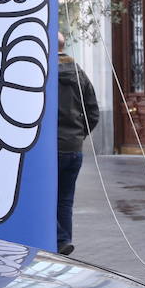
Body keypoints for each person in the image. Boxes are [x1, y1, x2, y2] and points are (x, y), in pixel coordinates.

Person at [56, 34, 99, 256]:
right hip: (74, 148)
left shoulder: (41, 72)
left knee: (42, 197)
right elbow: (93, 112)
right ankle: (64, 241)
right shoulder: (79, 73)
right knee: (65, 200)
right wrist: (78, 135)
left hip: (51, 149)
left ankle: (58, 239)